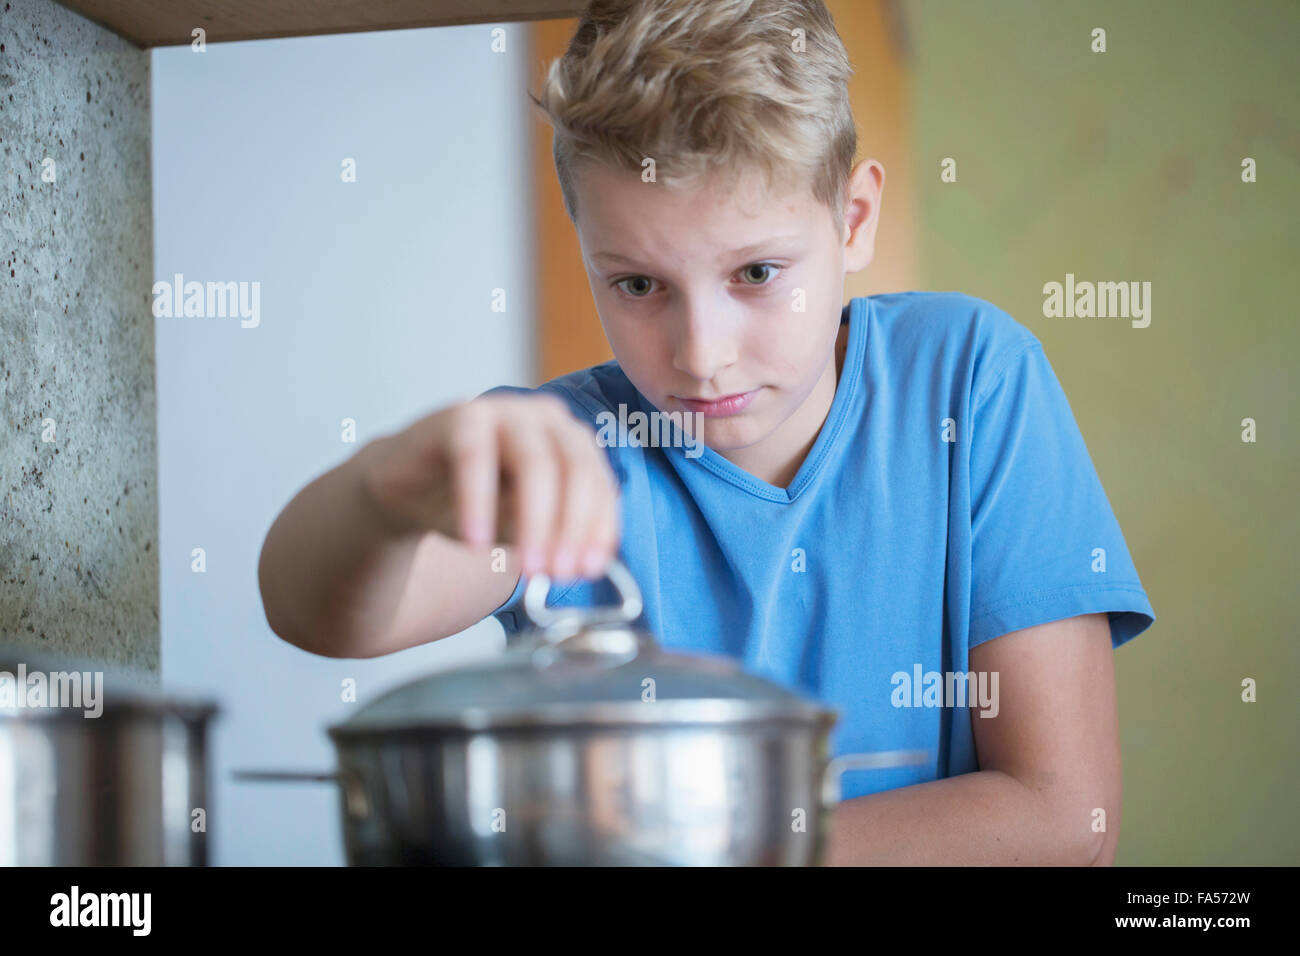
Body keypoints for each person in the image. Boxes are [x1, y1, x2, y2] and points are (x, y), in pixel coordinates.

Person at [257, 0, 1154, 865]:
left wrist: (681, 851)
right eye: (638, 285)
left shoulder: (969, 377)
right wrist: (382, 491)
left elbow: (1065, 816)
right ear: (587, 249)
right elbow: (318, 617)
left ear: (854, 220)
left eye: (757, 272)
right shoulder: (563, 448)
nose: (702, 355)